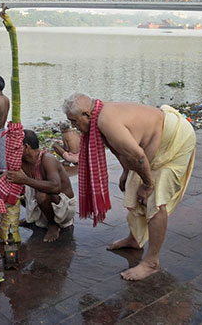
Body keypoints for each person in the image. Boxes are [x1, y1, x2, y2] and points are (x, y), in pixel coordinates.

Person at [63, 93, 195, 281]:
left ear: (86, 114)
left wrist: (148, 184)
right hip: (152, 143)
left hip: (174, 138)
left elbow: (138, 156)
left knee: (155, 199)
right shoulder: (98, 112)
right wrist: (127, 172)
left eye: (74, 121)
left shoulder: (107, 121)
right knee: (132, 188)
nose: (74, 127)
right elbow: (121, 150)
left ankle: (152, 262)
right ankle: (135, 239)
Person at [0, 130, 76, 243]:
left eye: (15, 147)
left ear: (26, 146)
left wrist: (25, 179)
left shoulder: (47, 159)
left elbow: (55, 187)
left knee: (41, 195)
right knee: (16, 188)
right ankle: (36, 219)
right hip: (44, 203)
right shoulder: (22, 161)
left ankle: (53, 225)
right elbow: (2, 179)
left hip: (63, 209)